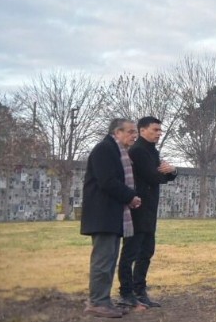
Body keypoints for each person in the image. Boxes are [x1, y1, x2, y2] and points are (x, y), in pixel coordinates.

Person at [80, 119, 142, 318]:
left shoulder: (114, 150)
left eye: (135, 132)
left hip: (111, 215)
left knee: (108, 260)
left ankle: (102, 300)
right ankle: (97, 302)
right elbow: (107, 181)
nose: (135, 135)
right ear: (117, 132)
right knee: (103, 261)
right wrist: (130, 196)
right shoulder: (105, 149)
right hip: (103, 215)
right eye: (131, 131)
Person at [117, 116, 177, 308]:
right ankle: (127, 292)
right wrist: (168, 173)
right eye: (155, 130)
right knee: (131, 252)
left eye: (160, 130)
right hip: (137, 209)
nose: (159, 134)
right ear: (142, 130)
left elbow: (161, 174)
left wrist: (172, 171)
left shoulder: (152, 151)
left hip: (149, 209)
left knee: (147, 251)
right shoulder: (138, 151)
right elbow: (153, 176)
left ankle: (139, 290)